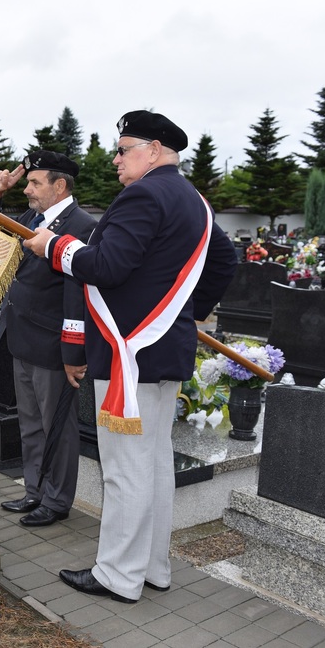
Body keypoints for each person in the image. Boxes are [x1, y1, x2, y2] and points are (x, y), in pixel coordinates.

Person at [25, 110, 237, 603]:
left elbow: (109, 266)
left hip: (130, 352)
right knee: (155, 464)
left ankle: (118, 575)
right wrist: (181, 312)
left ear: (155, 150)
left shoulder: (144, 194)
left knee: (125, 468)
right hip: (162, 347)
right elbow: (223, 260)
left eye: (124, 149)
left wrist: (53, 247)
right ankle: (152, 568)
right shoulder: (193, 199)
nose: (116, 159)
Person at [0, 151, 97, 528]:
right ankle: (34, 488)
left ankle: (57, 500)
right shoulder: (33, 218)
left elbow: (76, 294)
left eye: (35, 183)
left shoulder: (81, 226)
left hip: (52, 344)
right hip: (21, 337)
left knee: (57, 428)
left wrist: (72, 352)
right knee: (30, 422)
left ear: (59, 185)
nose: (28, 189)